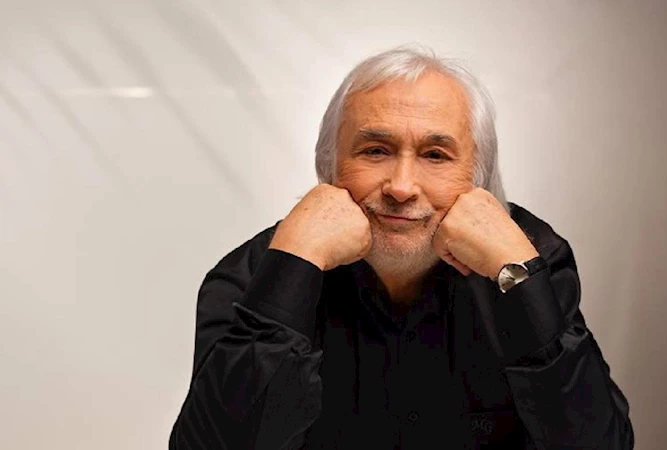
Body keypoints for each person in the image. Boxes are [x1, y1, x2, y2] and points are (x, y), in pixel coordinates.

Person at [169, 47, 633, 449]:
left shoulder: (531, 256)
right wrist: (293, 269)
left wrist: (520, 279)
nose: (402, 187)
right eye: (375, 150)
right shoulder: (253, 273)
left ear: (478, 177)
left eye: (435, 155)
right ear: (329, 166)